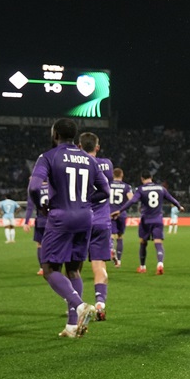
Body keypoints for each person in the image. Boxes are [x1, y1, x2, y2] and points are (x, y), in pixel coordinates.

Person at [28, 118, 110, 338]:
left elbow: (34, 187)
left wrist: (42, 206)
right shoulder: (89, 160)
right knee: (73, 269)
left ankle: (80, 305)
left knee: (49, 270)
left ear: (55, 135)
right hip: (85, 218)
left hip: (61, 217)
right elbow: (106, 191)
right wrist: (85, 202)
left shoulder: (48, 156)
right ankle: (73, 326)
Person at [112, 172, 183, 275]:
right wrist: (179, 206)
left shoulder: (141, 189)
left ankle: (142, 267)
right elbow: (171, 199)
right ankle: (160, 264)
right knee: (158, 242)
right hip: (158, 219)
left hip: (146, 220)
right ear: (151, 178)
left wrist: (120, 210)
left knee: (143, 242)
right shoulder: (161, 188)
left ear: (142, 179)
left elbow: (132, 201)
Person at [79, 132, 114, 320]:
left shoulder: (73, 163)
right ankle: (100, 303)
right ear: (97, 147)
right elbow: (105, 187)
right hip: (100, 221)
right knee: (99, 266)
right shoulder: (106, 164)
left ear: (79, 147)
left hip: (78, 219)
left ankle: (76, 307)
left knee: (73, 267)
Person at [23, 181, 49, 275]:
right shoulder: (55, 185)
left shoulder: (34, 188)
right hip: (55, 220)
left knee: (40, 244)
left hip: (41, 221)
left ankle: (42, 268)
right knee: (56, 244)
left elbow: (30, 207)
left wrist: (26, 222)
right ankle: (55, 266)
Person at [108, 168, 133, 267]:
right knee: (120, 236)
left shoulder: (108, 184)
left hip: (110, 213)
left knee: (111, 235)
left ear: (113, 175)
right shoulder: (127, 187)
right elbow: (131, 199)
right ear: (122, 175)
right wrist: (121, 210)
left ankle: (111, 249)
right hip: (121, 213)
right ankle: (119, 261)